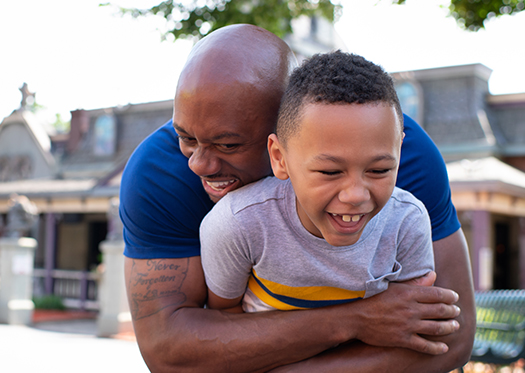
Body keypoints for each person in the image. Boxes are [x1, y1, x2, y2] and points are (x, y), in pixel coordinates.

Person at [120, 24, 475, 372]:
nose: (199, 164)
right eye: (186, 138)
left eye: (229, 144)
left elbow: (450, 338)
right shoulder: (159, 173)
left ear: (287, 124)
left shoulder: (395, 155)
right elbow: (170, 353)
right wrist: (357, 320)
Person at [200, 51, 435, 314]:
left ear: (399, 152)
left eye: (379, 170)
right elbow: (222, 327)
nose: (355, 195)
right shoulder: (238, 225)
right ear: (280, 158)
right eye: (330, 172)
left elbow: (412, 328)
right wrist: (356, 322)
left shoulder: (405, 224)